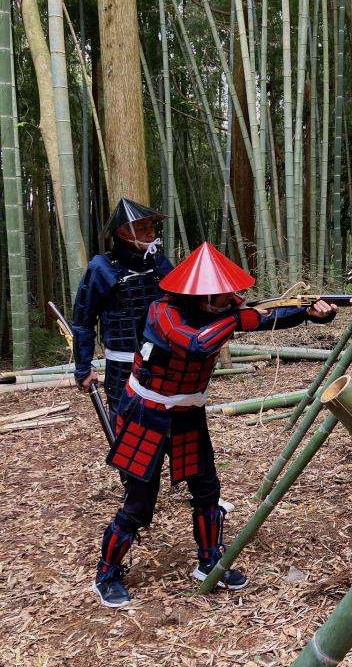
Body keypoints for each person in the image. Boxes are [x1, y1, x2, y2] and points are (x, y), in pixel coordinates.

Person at [92, 242, 337, 607]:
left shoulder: (220, 313)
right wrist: (236, 317)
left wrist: (310, 313)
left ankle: (210, 563)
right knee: (139, 504)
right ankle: (106, 574)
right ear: (202, 297)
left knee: (207, 491)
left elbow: (267, 317)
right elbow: (194, 345)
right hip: (146, 413)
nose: (235, 300)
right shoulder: (162, 312)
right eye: (225, 296)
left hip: (188, 413)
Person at [72, 198, 173, 419]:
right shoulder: (102, 267)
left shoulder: (159, 263)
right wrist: (83, 368)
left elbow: (183, 303)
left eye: (150, 226)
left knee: (163, 428)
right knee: (124, 428)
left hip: (161, 362)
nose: (150, 232)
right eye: (142, 227)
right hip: (122, 365)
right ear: (124, 233)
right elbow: (83, 321)